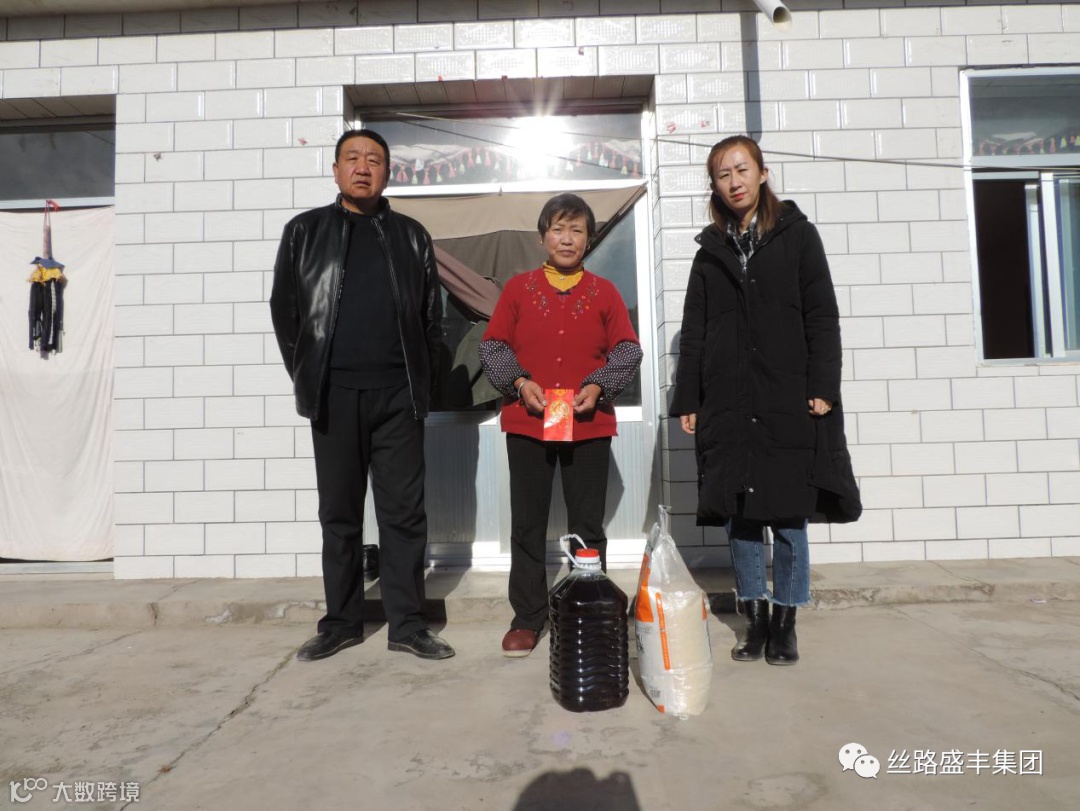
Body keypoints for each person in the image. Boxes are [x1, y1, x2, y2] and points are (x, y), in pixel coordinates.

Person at [670, 136, 861, 666]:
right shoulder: (710, 252)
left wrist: (823, 386)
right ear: (715, 186)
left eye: (741, 169)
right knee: (743, 517)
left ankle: (786, 621)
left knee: (790, 516)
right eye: (723, 174)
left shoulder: (798, 236)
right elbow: (694, 331)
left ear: (762, 173)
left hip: (788, 398)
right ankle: (753, 620)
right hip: (728, 402)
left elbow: (822, 315)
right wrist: (689, 397)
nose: (734, 182)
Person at [270, 128, 454, 662]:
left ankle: (408, 625)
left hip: (398, 397)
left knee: (403, 516)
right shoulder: (304, 232)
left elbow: (432, 319)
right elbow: (286, 312)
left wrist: (421, 385)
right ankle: (341, 623)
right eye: (352, 158)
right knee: (340, 516)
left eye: (374, 159)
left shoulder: (412, 236)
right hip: (334, 396)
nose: (363, 167)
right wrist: (311, 375)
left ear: (387, 173)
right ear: (335, 170)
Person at [479, 193, 643, 658]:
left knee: (587, 525)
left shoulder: (605, 292)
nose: (567, 239)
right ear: (543, 237)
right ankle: (527, 618)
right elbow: (493, 346)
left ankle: (590, 614)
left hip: (587, 422)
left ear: (589, 239)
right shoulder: (518, 289)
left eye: (576, 230)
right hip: (529, 421)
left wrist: (599, 385)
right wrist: (518, 381)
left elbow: (627, 349)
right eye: (558, 229)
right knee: (527, 523)